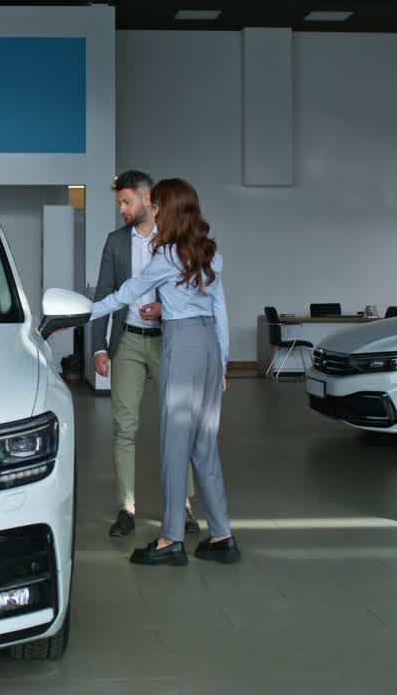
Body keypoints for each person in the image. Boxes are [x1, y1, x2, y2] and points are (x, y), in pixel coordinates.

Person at [86, 178, 239, 566]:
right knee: (204, 446)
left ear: (167, 210)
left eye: (157, 205)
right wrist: (222, 364)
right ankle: (222, 535)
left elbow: (125, 294)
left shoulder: (167, 256)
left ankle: (170, 539)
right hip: (209, 347)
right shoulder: (210, 254)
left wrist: (78, 314)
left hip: (182, 345)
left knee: (174, 443)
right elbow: (220, 311)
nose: (152, 210)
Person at [93, 170, 199, 539]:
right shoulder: (115, 243)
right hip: (128, 343)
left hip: (170, 341)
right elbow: (103, 294)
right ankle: (127, 507)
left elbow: (194, 293)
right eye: (119, 203)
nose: (121, 209)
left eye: (126, 202)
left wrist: (166, 311)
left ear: (147, 200)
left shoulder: (175, 239)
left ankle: (183, 505)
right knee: (125, 427)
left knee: (177, 423)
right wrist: (98, 345)